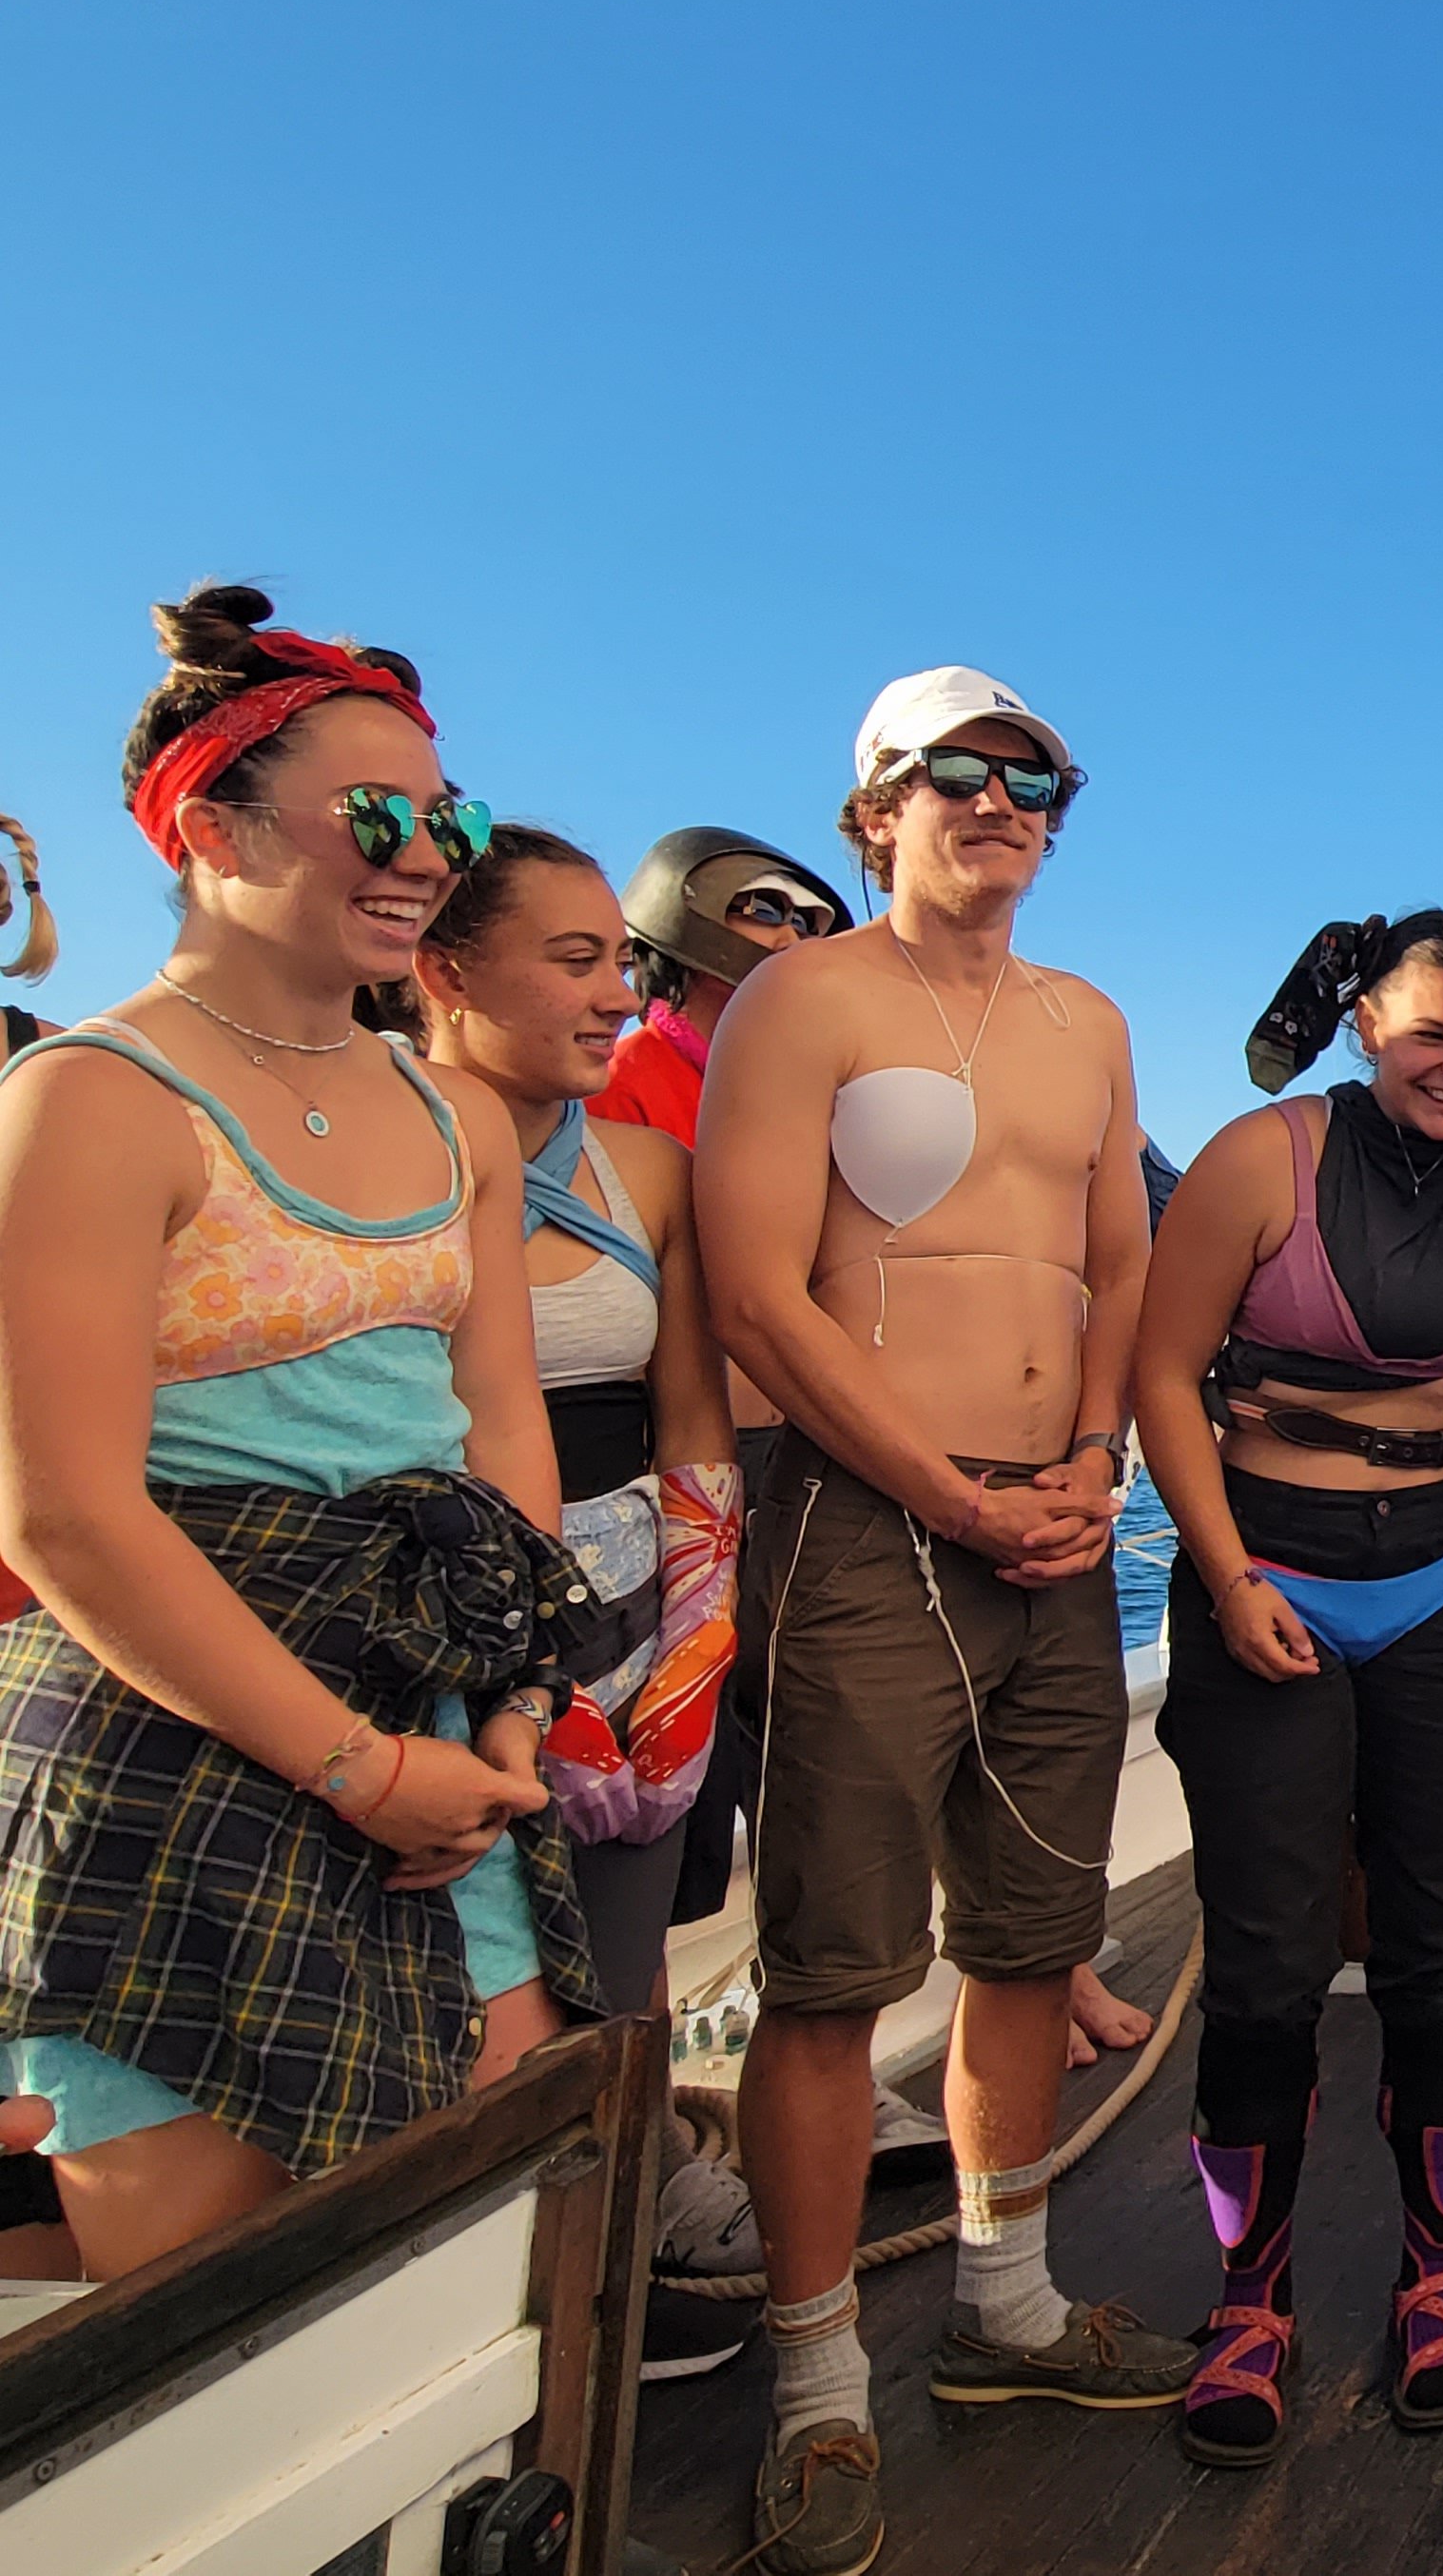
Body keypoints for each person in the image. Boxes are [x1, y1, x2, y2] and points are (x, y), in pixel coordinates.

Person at [0, 585, 596, 2284]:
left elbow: (497, 1428)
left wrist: (514, 1700)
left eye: (450, 819)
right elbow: (68, 1514)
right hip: (184, 1741)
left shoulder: (455, 1108)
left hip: (437, 1710)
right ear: (204, 825)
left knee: (487, 2246)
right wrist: (351, 1767)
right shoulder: (94, 1098)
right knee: (203, 2310)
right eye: (379, 817)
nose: (429, 855)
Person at [696, 667, 1177, 2573]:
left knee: (1032, 1942)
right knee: (829, 1971)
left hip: (1055, 1517)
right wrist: (949, 1486)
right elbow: (757, 1296)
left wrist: (1091, 1454)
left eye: (1031, 777)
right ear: (873, 806)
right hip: (866, 1519)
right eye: (950, 775)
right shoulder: (798, 999)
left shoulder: (1090, 1020)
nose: (996, 802)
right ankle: (816, 2391)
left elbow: (1119, 1253)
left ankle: (1005, 2310)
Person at [1127, 909, 1443, 2461]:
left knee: (1439, 1944)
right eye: (1431, 1036)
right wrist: (1223, 1575)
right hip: (1268, 1571)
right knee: (1268, 1956)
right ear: (1364, 1025)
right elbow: (1159, 1370)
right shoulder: (1256, 1157)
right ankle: (1248, 2292)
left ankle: (1439, 2268)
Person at [403, 824, 768, 2371]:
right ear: (443, 967)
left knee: (619, 1990)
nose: (618, 990)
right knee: (450, 2012)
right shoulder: (371, 1152)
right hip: (424, 1628)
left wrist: (693, 1637)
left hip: (628, 1618)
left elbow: (695, 1413)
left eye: (622, 957)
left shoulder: (657, 1173)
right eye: (574, 960)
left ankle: (587, 2351)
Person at [592, 828, 849, 1148]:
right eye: (764, 909)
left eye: (804, 924)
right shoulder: (618, 1083)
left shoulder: (802, 1093)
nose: (792, 940)